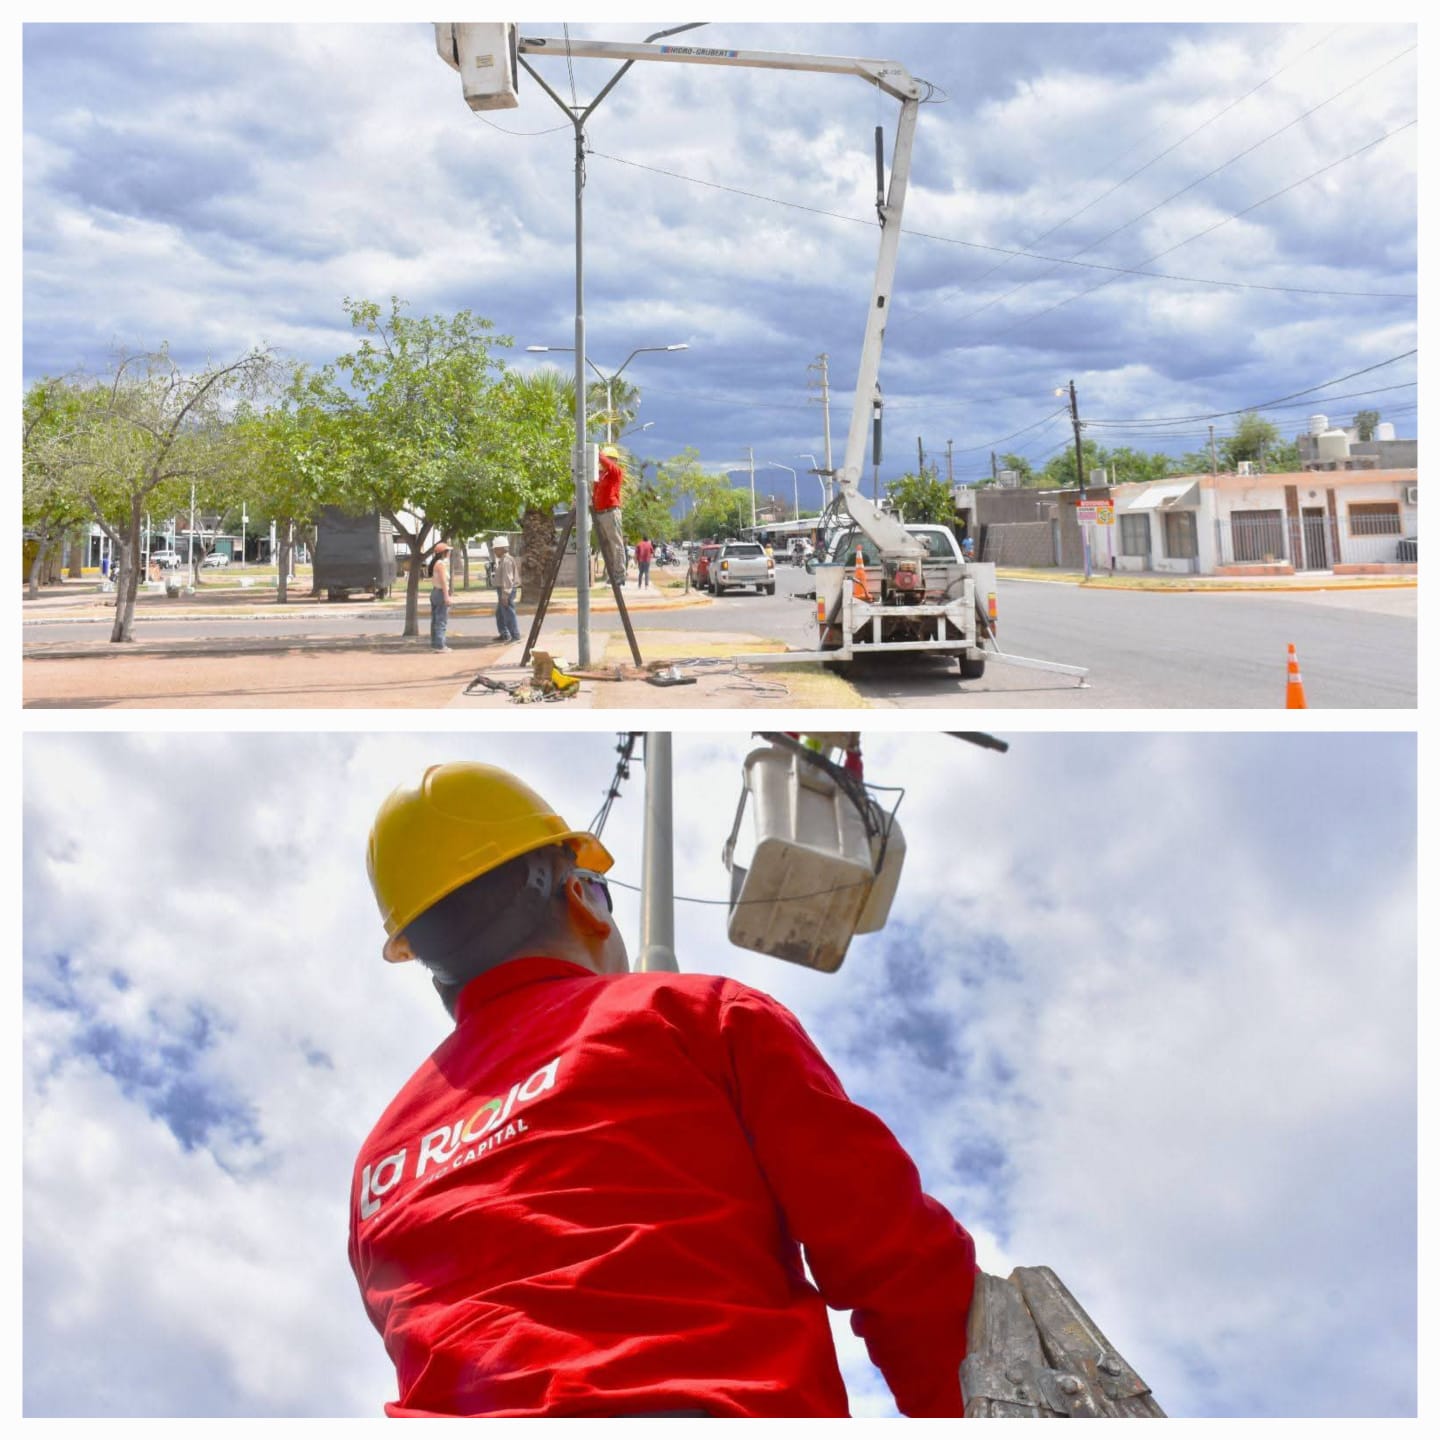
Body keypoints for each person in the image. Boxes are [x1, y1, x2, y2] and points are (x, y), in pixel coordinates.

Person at [351, 761, 978, 1419]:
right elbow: (900, 1264)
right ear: (586, 899)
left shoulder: (378, 1159)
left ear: (436, 971)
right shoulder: (697, 1014)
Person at [592, 444, 627, 586]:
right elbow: (595, 492)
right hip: (600, 513)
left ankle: (620, 573)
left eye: (608, 459)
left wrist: (596, 453)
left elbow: (605, 462)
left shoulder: (616, 471)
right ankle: (612, 573)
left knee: (616, 544)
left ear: (613, 460)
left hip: (611, 512)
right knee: (606, 546)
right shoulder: (601, 475)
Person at [491, 536, 520, 644]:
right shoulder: (503, 560)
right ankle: (504, 634)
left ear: (501, 548)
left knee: (508, 613)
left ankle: (515, 636)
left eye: (495, 549)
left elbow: (508, 579)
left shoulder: (507, 561)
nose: (494, 551)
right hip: (503, 590)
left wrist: (505, 595)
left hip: (506, 590)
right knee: (500, 614)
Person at [428, 542, 452, 652]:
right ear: (444, 553)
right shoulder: (441, 564)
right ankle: (440, 645)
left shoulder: (436, 563)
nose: (449, 553)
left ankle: (435, 644)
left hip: (435, 592)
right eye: (448, 551)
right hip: (440, 592)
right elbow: (443, 581)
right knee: (441, 620)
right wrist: (446, 596)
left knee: (435, 619)